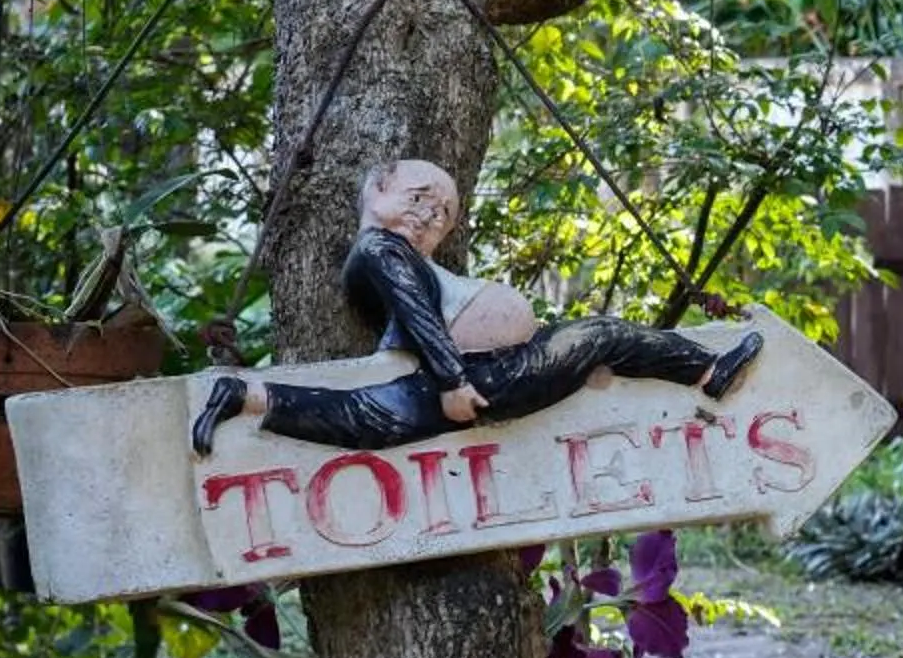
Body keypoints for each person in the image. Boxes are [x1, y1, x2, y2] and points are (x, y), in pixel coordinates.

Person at [191, 159, 761, 455]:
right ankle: (708, 370)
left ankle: (244, 396)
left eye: (442, 214)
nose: (429, 214)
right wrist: (453, 380)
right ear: (378, 190)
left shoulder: (396, 254)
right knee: (600, 335)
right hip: (480, 377)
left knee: (373, 417)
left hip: (469, 373)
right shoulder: (380, 249)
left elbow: (417, 310)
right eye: (419, 197)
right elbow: (415, 310)